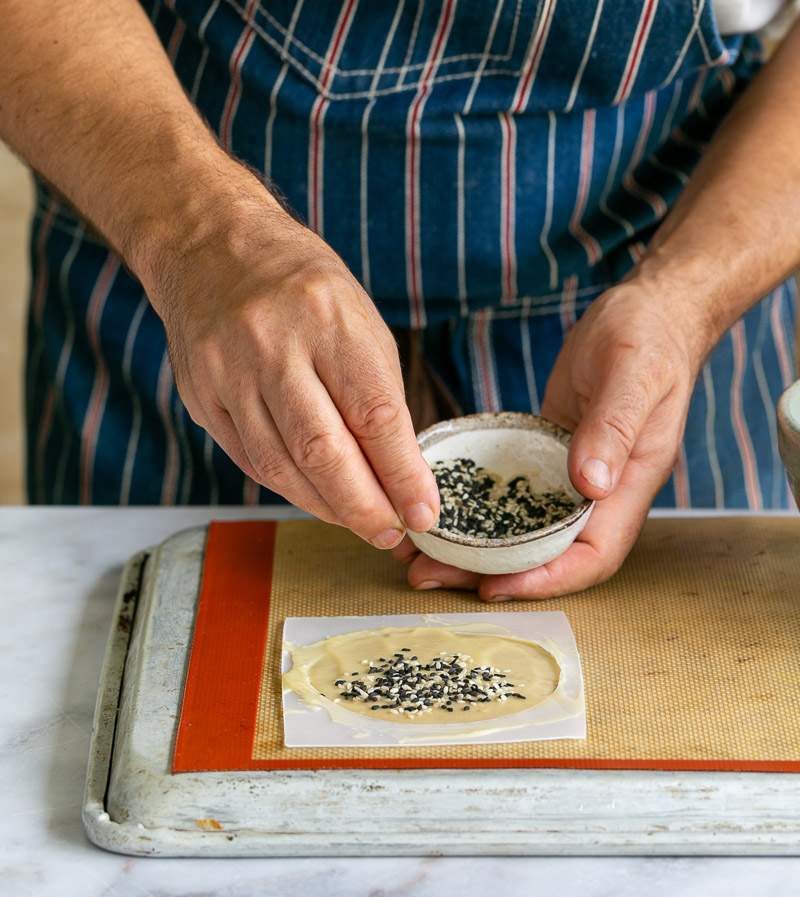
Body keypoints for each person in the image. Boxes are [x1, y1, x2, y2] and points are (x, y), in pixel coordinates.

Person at [2, 1, 798, 601]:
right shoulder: (193, 246)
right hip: (179, 267)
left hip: (667, 291)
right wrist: (203, 237)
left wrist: (687, 293)